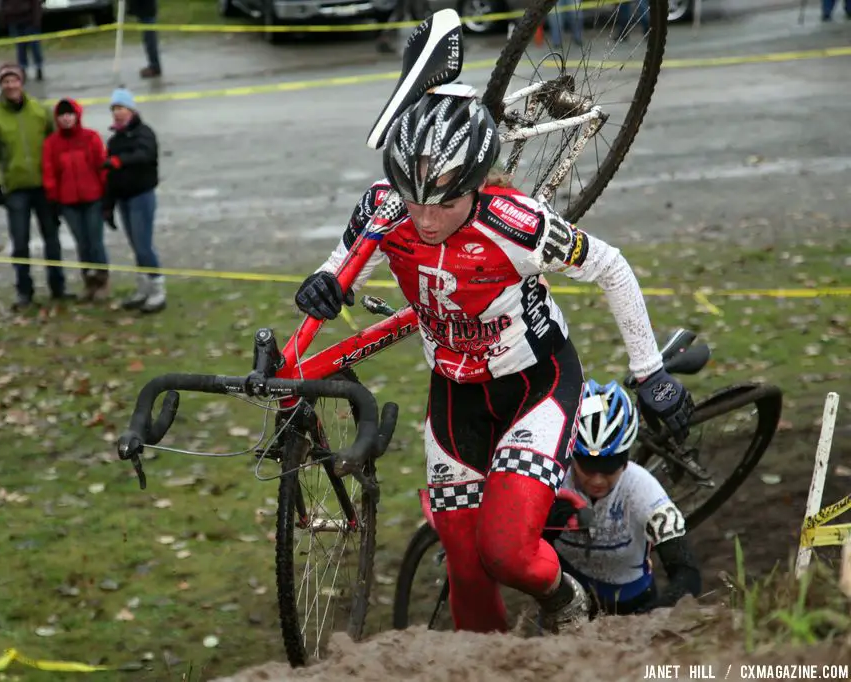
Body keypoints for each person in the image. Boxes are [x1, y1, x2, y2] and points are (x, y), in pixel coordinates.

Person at [293, 89, 695, 633]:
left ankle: (568, 600)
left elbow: (612, 267)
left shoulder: (518, 224)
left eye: (444, 205)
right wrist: (324, 284)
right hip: (455, 395)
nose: (427, 220)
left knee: (505, 552)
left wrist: (650, 372)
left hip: (536, 385)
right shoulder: (383, 207)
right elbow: (345, 264)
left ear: (476, 184)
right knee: (467, 565)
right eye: (414, 204)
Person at [543, 379, 703, 617]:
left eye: (609, 466)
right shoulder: (550, 478)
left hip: (632, 603)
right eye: (588, 465)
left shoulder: (641, 487)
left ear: (626, 458)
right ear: (571, 456)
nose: (597, 480)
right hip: (568, 597)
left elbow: (687, 573)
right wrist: (542, 526)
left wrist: (653, 616)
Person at [0, 64, 72, 310]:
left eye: (14, 80)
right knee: (20, 242)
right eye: (5, 82)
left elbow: (58, 144)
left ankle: (58, 287)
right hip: (15, 189)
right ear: (0, 86)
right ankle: (24, 290)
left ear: (22, 82)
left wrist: (62, 180)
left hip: (45, 186)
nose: (10, 86)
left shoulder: (41, 111)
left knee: (52, 238)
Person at [103, 88, 165, 314]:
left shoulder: (144, 133)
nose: (118, 113)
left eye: (121, 108)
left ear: (131, 110)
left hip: (142, 196)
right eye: (114, 110)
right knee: (135, 246)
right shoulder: (114, 141)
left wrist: (121, 161)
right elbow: (110, 175)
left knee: (144, 245)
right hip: (124, 199)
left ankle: (158, 289)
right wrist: (107, 205)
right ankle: (143, 288)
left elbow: (145, 155)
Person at [43, 98, 112, 302]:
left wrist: (107, 195)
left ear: (77, 115)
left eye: (70, 114)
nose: (66, 119)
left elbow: (102, 165)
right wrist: (53, 199)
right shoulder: (52, 144)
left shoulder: (91, 138)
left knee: (95, 241)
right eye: (62, 115)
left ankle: (102, 280)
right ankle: (88, 281)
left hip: (93, 199)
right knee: (81, 242)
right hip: (68, 202)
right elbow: (49, 173)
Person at [1, 0, 45, 82]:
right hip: (14, 21)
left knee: (35, 46)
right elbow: (3, 4)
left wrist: (36, 20)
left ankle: (39, 68)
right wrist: (4, 20)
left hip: (29, 20)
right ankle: (22, 69)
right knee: (20, 48)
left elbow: (36, 3)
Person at [127, 0, 162, 78]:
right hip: (142, 9)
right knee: (147, 38)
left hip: (146, 9)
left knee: (149, 37)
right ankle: (153, 65)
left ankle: (154, 66)